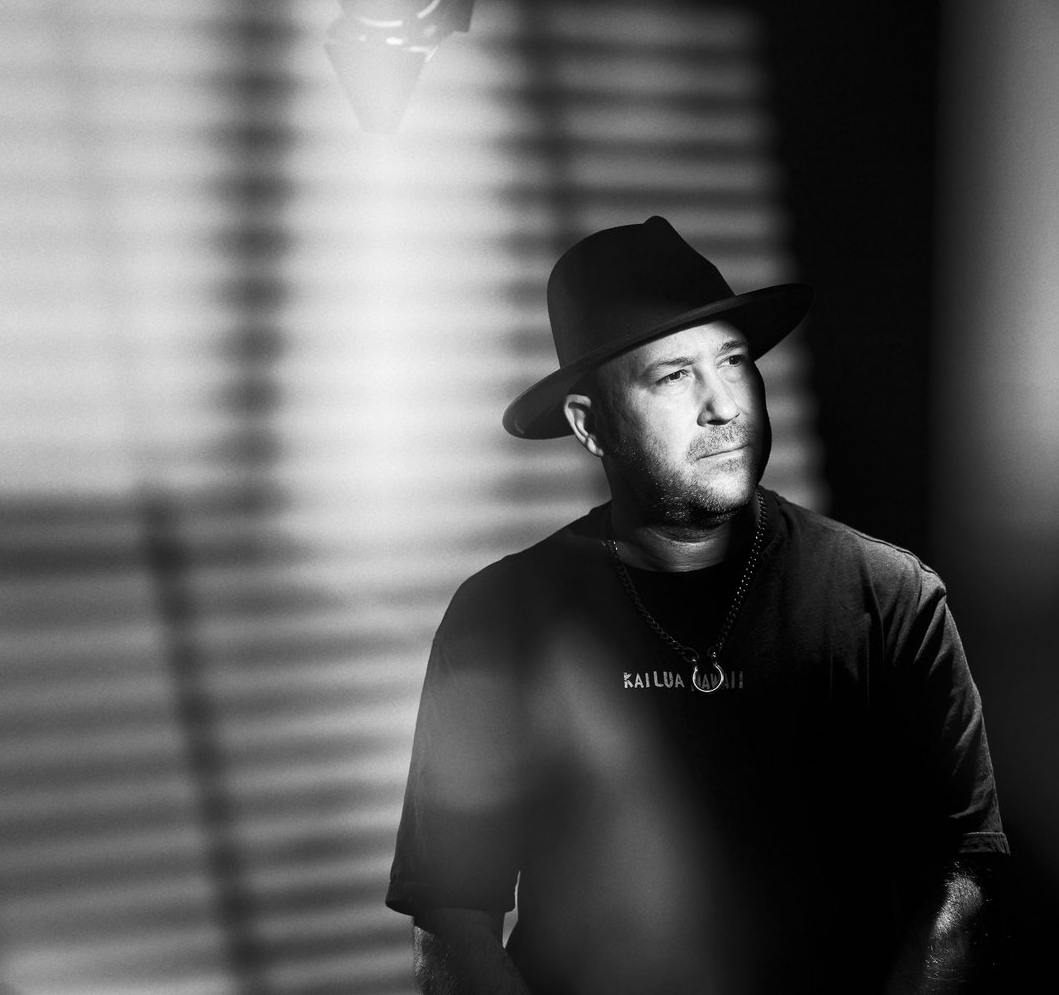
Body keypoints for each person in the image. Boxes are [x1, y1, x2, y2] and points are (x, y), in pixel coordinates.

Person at [386, 216, 1008, 994]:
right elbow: (451, 919)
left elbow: (963, 875)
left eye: (734, 361)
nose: (724, 405)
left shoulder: (888, 597)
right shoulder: (501, 615)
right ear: (589, 424)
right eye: (675, 376)